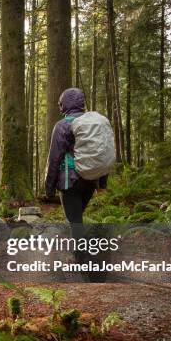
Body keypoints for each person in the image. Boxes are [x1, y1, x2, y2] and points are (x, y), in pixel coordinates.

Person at [45, 88, 108, 263]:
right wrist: (102, 183)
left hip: (69, 182)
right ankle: (83, 256)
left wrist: (49, 188)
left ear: (65, 104)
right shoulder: (94, 124)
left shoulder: (62, 126)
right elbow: (103, 153)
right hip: (90, 180)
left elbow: (54, 159)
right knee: (77, 219)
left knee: (75, 222)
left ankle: (82, 261)